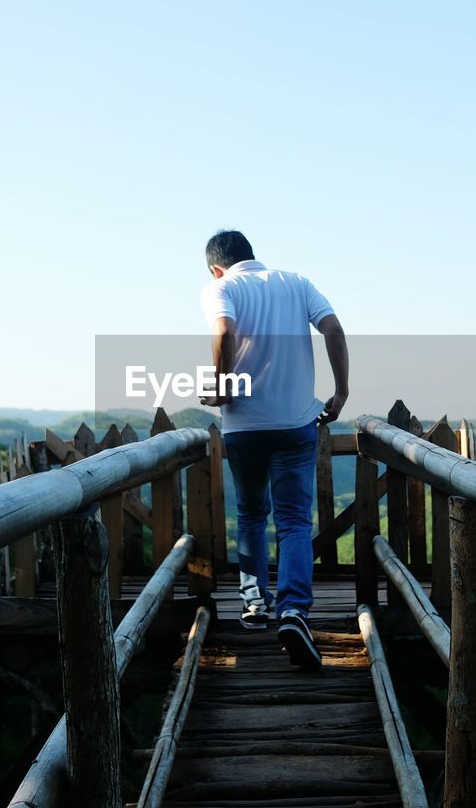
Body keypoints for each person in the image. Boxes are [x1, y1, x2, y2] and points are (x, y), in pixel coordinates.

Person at [198, 230, 349, 671]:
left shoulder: (220, 288)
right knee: (295, 521)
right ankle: (294, 611)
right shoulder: (297, 283)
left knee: (250, 513)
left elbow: (223, 329)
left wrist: (223, 385)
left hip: (244, 426)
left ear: (216, 267)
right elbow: (334, 330)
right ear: (253, 256)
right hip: (296, 422)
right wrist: (340, 393)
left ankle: (253, 605)